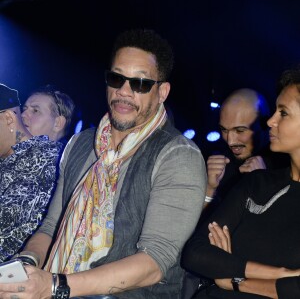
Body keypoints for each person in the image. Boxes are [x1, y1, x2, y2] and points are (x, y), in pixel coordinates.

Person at [1, 28, 207, 299]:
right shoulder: (80, 145)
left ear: (162, 92)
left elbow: (154, 264)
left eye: (140, 83)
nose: (124, 91)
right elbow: (51, 226)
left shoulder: (178, 156)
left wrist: (55, 286)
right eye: (116, 78)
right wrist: (26, 263)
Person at [181, 65, 300, 298]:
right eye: (224, 130)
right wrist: (281, 274)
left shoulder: (262, 169)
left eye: (283, 113)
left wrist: (233, 279)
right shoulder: (257, 181)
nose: (271, 121)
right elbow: (194, 253)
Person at [0, 83, 63, 263]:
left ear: (9, 120)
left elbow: (7, 222)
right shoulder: (7, 160)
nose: (28, 114)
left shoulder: (45, 157)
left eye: (35, 111)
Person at [204, 88, 289, 208]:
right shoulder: (220, 161)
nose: (230, 141)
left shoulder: (287, 166)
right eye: (224, 130)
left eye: (240, 130)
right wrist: (209, 189)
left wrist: (265, 185)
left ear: (265, 124)